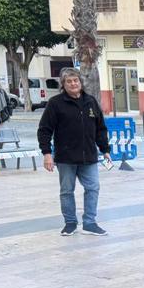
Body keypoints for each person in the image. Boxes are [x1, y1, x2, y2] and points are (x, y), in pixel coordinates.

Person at [36, 67, 111, 236]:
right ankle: (70, 222)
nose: (73, 84)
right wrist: (47, 153)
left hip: (89, 156)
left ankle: (89, 223)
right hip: (66, 157)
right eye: (68, 81)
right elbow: (44, 130)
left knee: (93, 188)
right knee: (67, 191)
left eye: (75, 80)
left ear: (80, 82)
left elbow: (100, 128)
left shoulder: (91, 101)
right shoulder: (55, 103)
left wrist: (105, 149)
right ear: (63, 85)